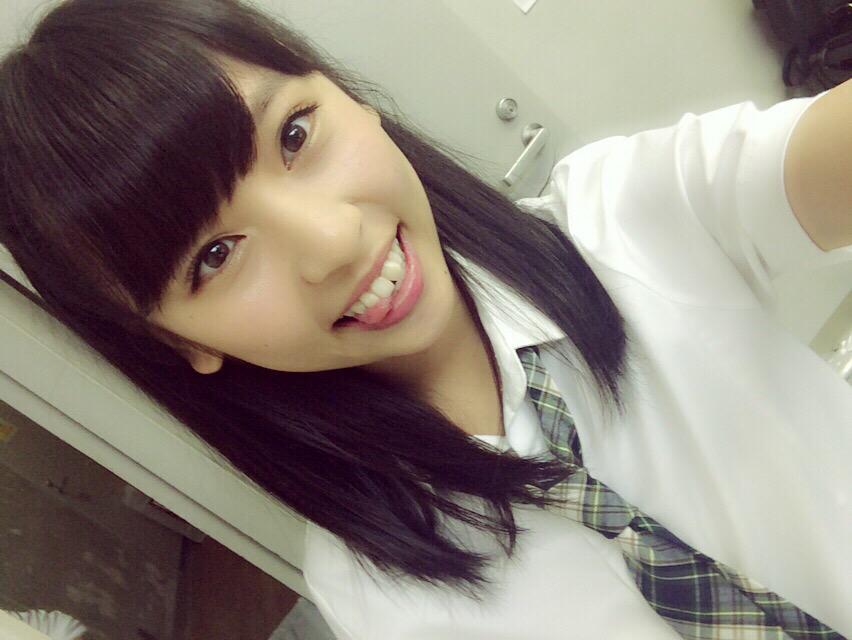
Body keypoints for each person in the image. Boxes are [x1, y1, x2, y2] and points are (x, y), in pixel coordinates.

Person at [0, 1, 849, 638]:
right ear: (180, 340)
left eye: (294, 135)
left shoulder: (626, 216)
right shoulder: (372, 593)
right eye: (215, 256)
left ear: (347, 97)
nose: (333, 240)